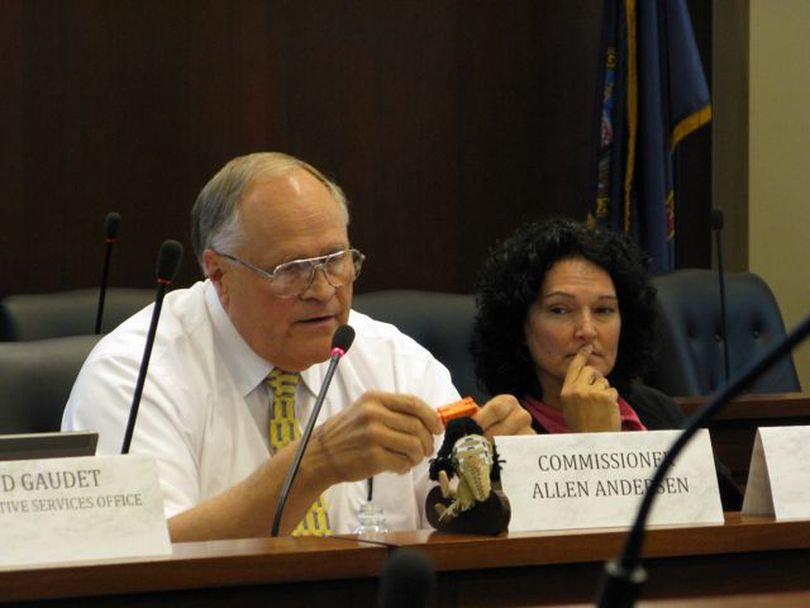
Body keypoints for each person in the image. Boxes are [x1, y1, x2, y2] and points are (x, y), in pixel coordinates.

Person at [62, 152, 532, 541]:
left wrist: (494, 477)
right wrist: (314, 464)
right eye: (291, 269)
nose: (325, 289)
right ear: (219, 274)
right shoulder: (134, 374)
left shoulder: (393, 359)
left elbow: (445, 519)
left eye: (335, 260)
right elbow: (136, 557)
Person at [470, 218, 742, 509]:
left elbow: (725, 513)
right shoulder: (500, 428)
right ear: (519, 326)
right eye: (559, 310)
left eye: (604, 310)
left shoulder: (657, 409)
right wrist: (598, 443)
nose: (588, 330)